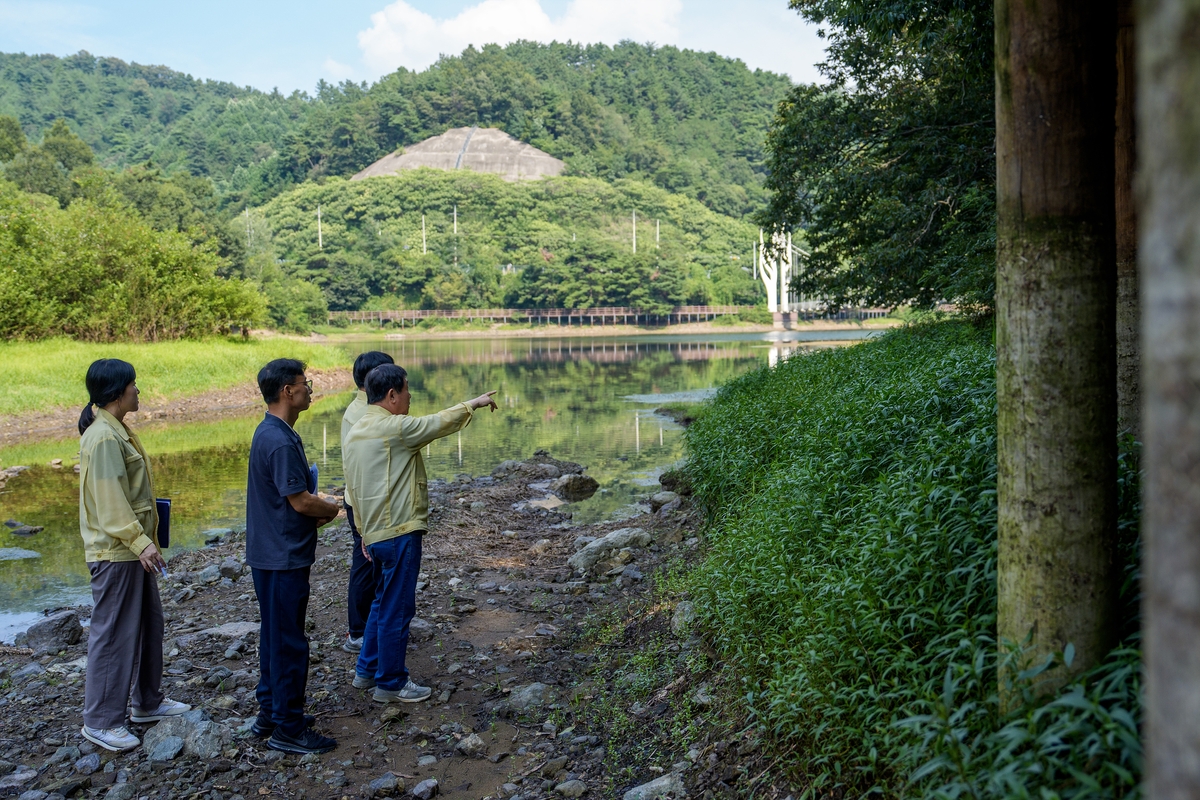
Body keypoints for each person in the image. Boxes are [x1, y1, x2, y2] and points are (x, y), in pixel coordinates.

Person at [343, 365, 497, 702]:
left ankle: (366, 671)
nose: (411, 396)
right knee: (397, 607)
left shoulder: (356, 430)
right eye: (407, 390)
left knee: (382, 601)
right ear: (392, 395)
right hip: (399, 531)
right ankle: (391, 682)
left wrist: (362, 533)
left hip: (374, 533)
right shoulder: (394, 428)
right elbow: (437, 423)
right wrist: (475, 403)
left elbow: (353, 490)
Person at [77, 359, 191, 752]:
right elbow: (111, 505)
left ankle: (148, 702)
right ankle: (101, 721)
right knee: (113, 635)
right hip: (117, 553)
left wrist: (145, 541)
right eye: (134, 386)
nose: (138, 392)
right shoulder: (104, 438)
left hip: (133, 550)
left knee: (148, 626)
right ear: (117, 393)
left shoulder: (117, 429)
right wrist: (140, 543)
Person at [245, 359, 341, 754]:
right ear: (288, 391)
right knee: (288, 641)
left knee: (274, 635)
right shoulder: (281, 439)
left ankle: (271, 711)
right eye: (306, 383)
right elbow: (300, 502)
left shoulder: (270, 431)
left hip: (268, 552)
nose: (310, 389)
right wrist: (333, 507)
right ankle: (288, 727)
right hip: (282, 555)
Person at [340, 351, 394, 654]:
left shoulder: (365, 409)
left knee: (368, 562)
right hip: (363, 500)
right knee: (365, 562)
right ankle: (359, 631)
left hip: (364, 497)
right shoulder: (362, 414)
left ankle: (366, 627)